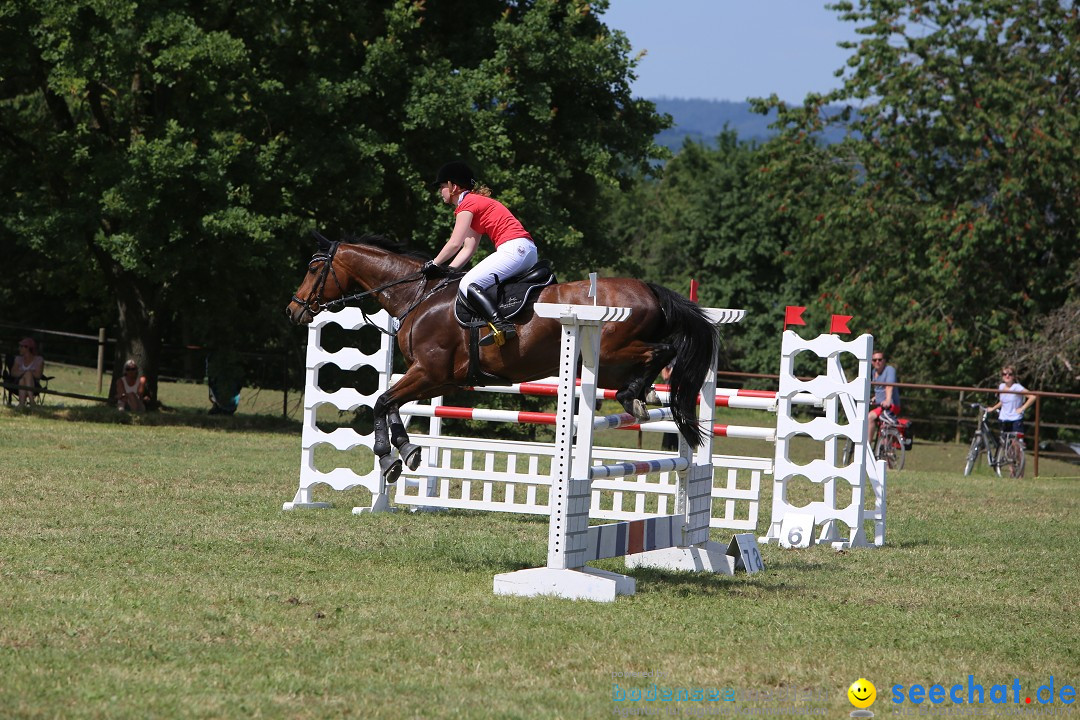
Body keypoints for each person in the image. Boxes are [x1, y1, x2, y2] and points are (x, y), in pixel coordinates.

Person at [422, 161, 538, 347]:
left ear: (454, 187)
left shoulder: (467, 204)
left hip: (514, 248)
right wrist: (448, 271)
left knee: (468, 284)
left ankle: (501, 325)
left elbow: (454, 243)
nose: (440, 191)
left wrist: (433, 264)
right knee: (467, 281)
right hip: (525, 250)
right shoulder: (475, 203)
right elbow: (468, 248)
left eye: (442, 186)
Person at [986, 365, 1034, 437]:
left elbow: (1032, 397)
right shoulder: (1001, 386)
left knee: (1015, 443)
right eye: (1004, 374)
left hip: (1015, 419)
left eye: (1010, 374)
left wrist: (1022, 408)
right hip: (1003, 419)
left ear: (1013, 376)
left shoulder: (1017, 387)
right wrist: (993, 408)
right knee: (1004, 442)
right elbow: (1003, 401)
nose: (1007, 376)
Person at [868, 351, 901, 443]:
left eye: (880, 359)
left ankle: (867, 447)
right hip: (880, 407)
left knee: (870, 417)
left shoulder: (889, 370)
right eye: (874, 360)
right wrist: (875, 397)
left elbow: (889, 386)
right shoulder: (873, 372)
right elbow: (879, 389)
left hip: (891, 406)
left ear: (884, 361)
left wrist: (888, 400)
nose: (877, 362)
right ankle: (883, 451)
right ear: (871, 362)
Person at [12, 337, 44, 408]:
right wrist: (26, 372)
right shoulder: (18, 359)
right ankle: (32, 401)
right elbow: (13, 373)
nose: (19, 348)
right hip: (17, 384)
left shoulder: (39, 360)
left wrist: (26, 373)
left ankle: (21, 405)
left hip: (34, 384)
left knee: (24, 379)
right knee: (26, 375)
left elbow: (38, 375)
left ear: (27, 348)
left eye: (21, 346)